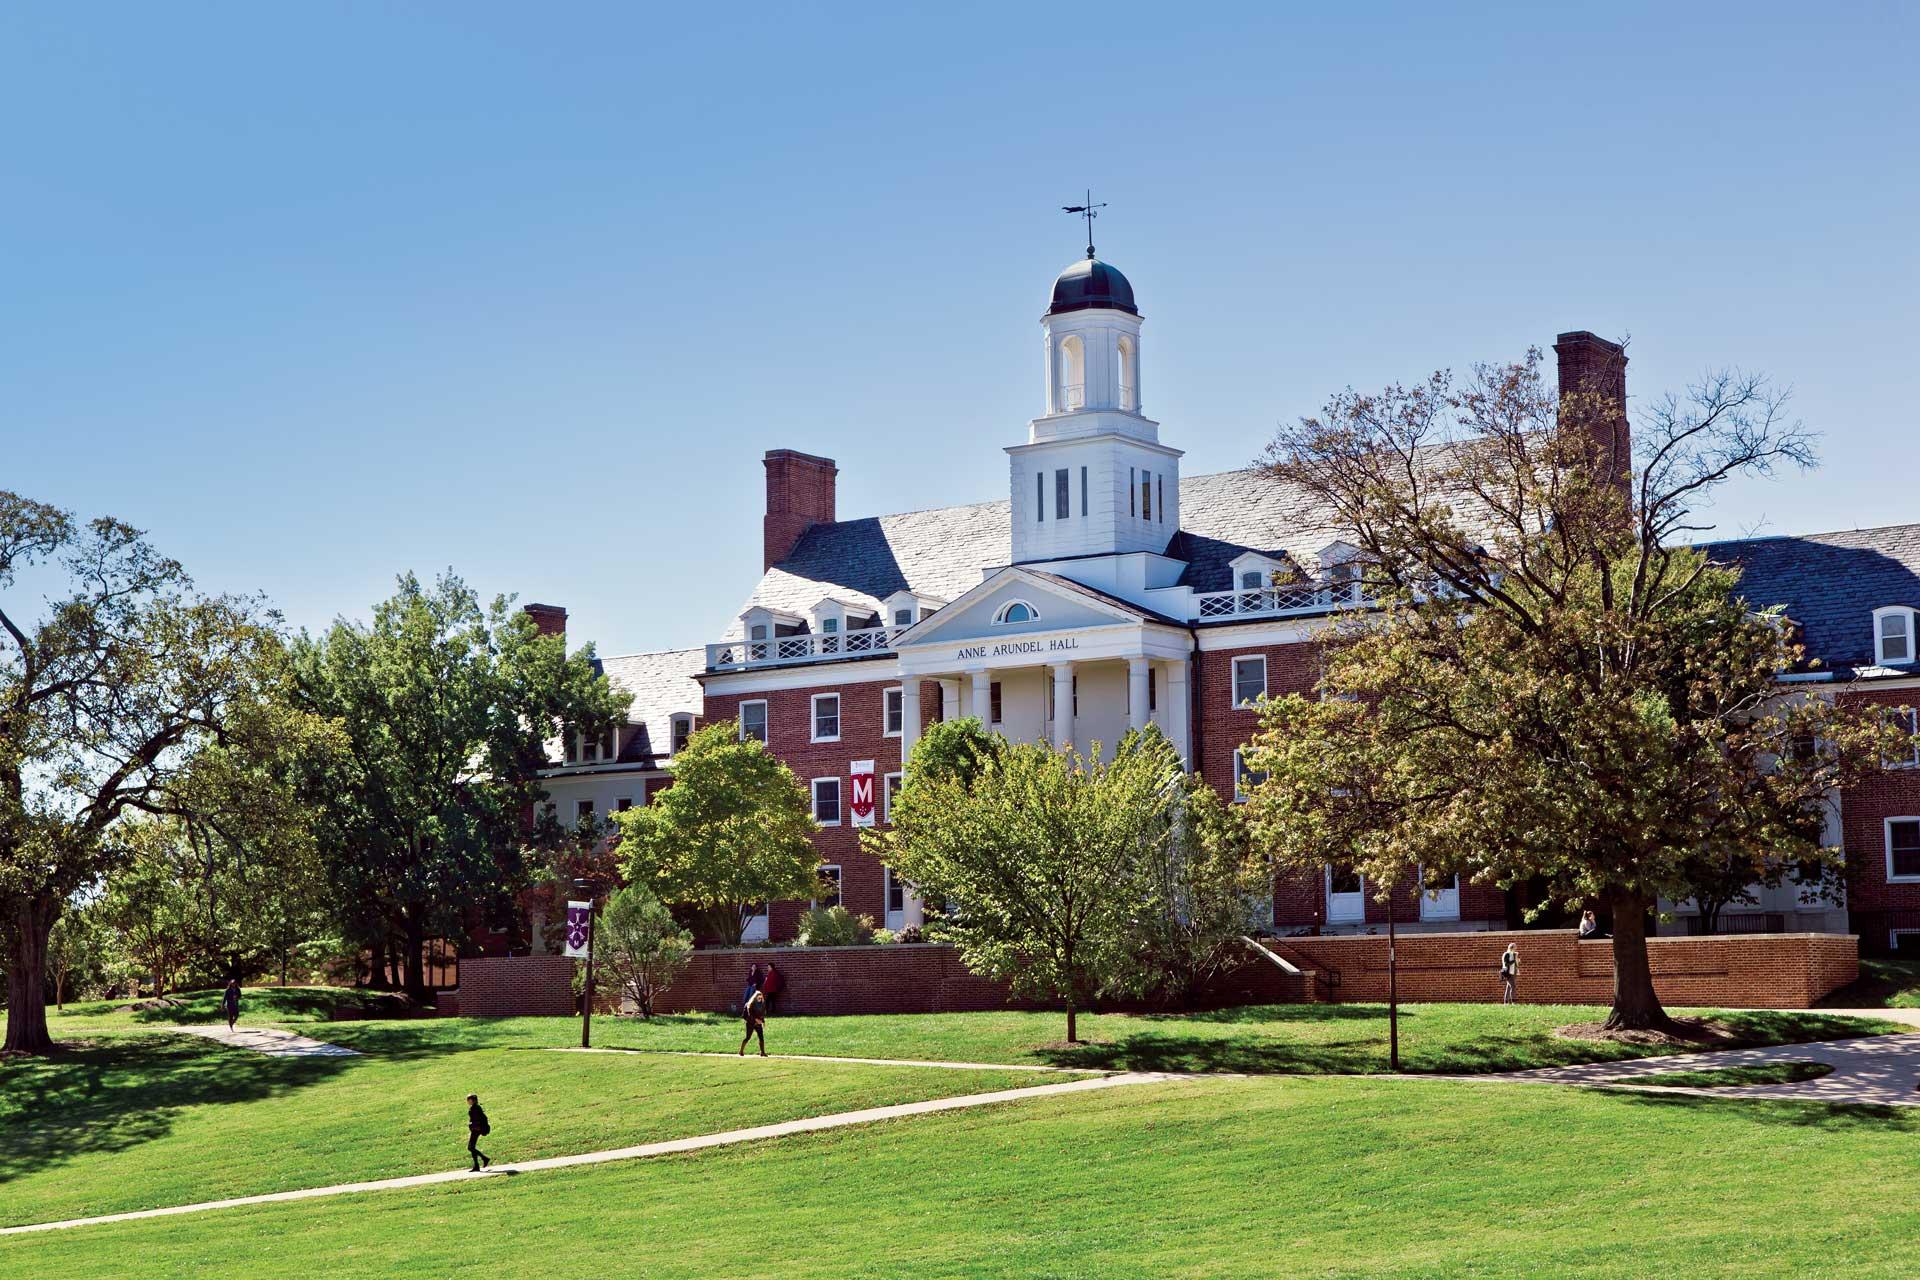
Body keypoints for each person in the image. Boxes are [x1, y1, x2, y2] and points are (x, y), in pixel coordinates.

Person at [739, 984, 768, 1057]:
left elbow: (762, 1014)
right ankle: (741, 1051)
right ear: (755, 997)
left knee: (761, 1038)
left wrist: (763, 1021)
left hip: (758, 1024)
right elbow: (750, 1014)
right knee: (748, 1037)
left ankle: (762, 1052)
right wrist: (756, 1019)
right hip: (750, 1023)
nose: (760, 998)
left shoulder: (762, 1004)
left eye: (761, 997)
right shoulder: (751, 1004)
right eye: (758, 997)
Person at [467, 1094, 492, 1172]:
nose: (467, 1101)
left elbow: (477, 1120)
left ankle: (484, 1158)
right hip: (476, 1129)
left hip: (476, 1130)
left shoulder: (475, 1108)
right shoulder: (476, 1107)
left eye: (469, 1099)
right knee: (472, 1147)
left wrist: (472, 1125)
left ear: (473, 1100)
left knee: (470, 1147)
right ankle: (476, 1166)